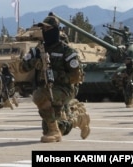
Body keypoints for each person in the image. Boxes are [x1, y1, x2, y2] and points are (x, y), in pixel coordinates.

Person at [20, 13, 90, 143]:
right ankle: (78, 119)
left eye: (48, 29)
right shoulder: (38, 50)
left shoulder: (67, 51)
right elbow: (22, 67)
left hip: (65, 89)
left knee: (39, 96)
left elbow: (76, 77)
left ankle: (55, 131)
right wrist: (36, 62)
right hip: (47, 89)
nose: (45, 32)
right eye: (43, 29)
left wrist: (55, 75)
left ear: (55, 30)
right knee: (55, 126)